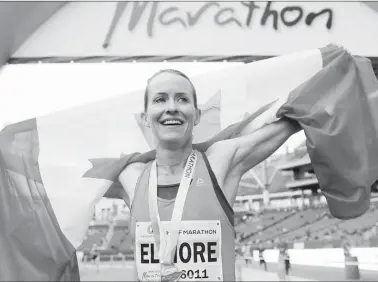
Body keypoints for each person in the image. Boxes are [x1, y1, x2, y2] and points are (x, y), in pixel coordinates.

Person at [112, 69, 301, 281]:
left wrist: (330, 83)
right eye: (160, 99)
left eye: (182, 99)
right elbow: (75, 177)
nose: (172, 107)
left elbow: (295, 116)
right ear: (145, 117)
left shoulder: (220, 162)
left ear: (197, 115)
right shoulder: (130, 177)